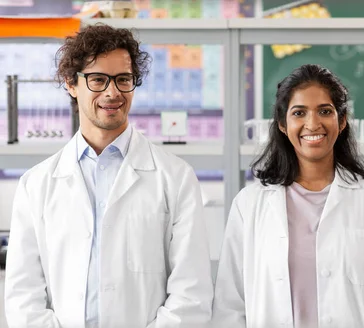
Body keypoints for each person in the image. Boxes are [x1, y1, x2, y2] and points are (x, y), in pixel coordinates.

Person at [4, 24, 213, 328]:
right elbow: (23, 297)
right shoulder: (36, 185)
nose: (112, 92)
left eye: (123, 79)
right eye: (98, 79)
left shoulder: (176, 178)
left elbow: (191, 295)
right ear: (71, 84)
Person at [212, 64, 364, 327]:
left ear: (341, 122)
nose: (312, 123)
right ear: (283, 125)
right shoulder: (249, 204)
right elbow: (230, 306)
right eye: (299, 113)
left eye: (325, 111)